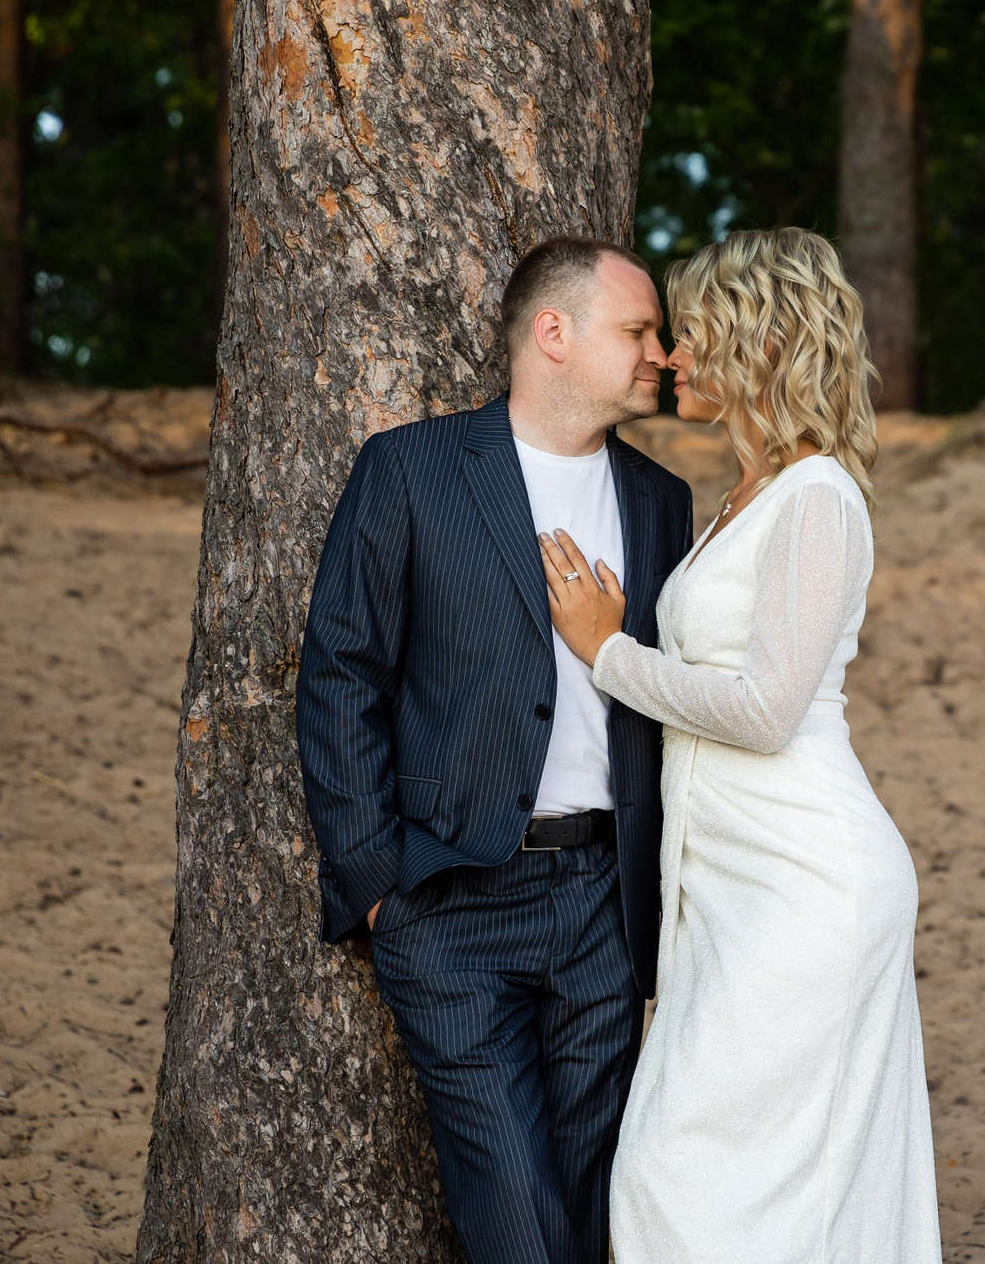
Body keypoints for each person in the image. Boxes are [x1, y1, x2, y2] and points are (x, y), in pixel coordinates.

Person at [536, 227, 940, 1263]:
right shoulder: (740, 501)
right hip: (729, 890)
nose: (667, 357)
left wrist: (606, 653)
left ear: (760, 342)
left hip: (808, 885)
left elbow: (763, 711)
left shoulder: (818, 499)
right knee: (716, 1179)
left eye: (693, 333)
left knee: (691, 1177)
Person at [294, 238, 694, 1264]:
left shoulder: (658, 500)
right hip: (451, 901)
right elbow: (342, 673)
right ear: (553, 334)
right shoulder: (412, 470)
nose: (663, 352)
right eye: (639, 330)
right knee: (512, 1212)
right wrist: (377, 880)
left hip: (606, 905)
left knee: (596, 1202)